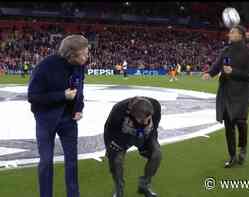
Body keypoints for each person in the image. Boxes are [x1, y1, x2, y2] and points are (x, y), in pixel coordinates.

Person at [27, 35, 89, 197]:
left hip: (69, 120)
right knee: (46, 162)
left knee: (72, 162)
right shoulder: (45, 67)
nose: (87, 56)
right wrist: (62, 95)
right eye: (84, 53)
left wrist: (78, 108)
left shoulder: (79, 66)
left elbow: (79, 90)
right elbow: (33, 96)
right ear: (71, 54)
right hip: (46, 119)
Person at [202, 25, 249, 167]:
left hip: (241, 93)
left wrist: (233, 71)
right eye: (230, 32)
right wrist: (210, 73)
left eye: (233, 32)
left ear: (241, 35)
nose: (229, 34)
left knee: (241, 122)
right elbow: (217, 65)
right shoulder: (226, 50)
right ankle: (232, 156)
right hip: (226, 92)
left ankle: (243, 147)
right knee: (228, 126)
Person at [104, 96, 162, 197]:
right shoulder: (118, 111)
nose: (145, 122)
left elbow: (154, 128)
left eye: (148, 119)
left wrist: (150, 143)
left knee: (157, 154)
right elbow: (109, 132)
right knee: (116, 161)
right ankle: (119, 190)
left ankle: (144, 185)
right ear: (133, 115)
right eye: (142, 121)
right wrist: (111, 151)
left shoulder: (155, 105)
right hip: (121, 136)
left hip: (146, 134)